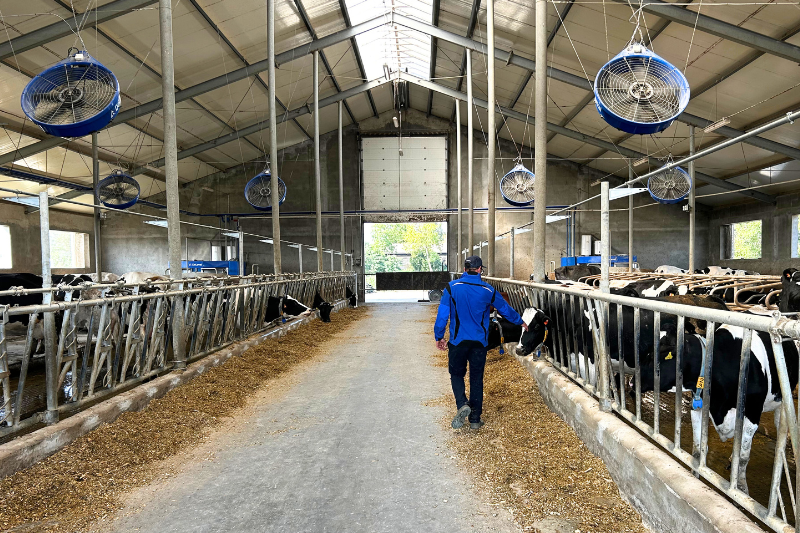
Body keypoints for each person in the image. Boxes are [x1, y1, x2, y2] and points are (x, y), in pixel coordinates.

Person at [434, 256, 526, 430]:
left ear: (464, 269)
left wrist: (439, 336)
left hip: (458, 341)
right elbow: (505, 310)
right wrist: (521, 322)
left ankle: (462, 404)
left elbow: (442, 315)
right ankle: (475, 419)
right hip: (479, 343)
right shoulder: (488, 290)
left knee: (456, 374)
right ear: (479, 270)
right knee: (476, 378)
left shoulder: (451, 287)